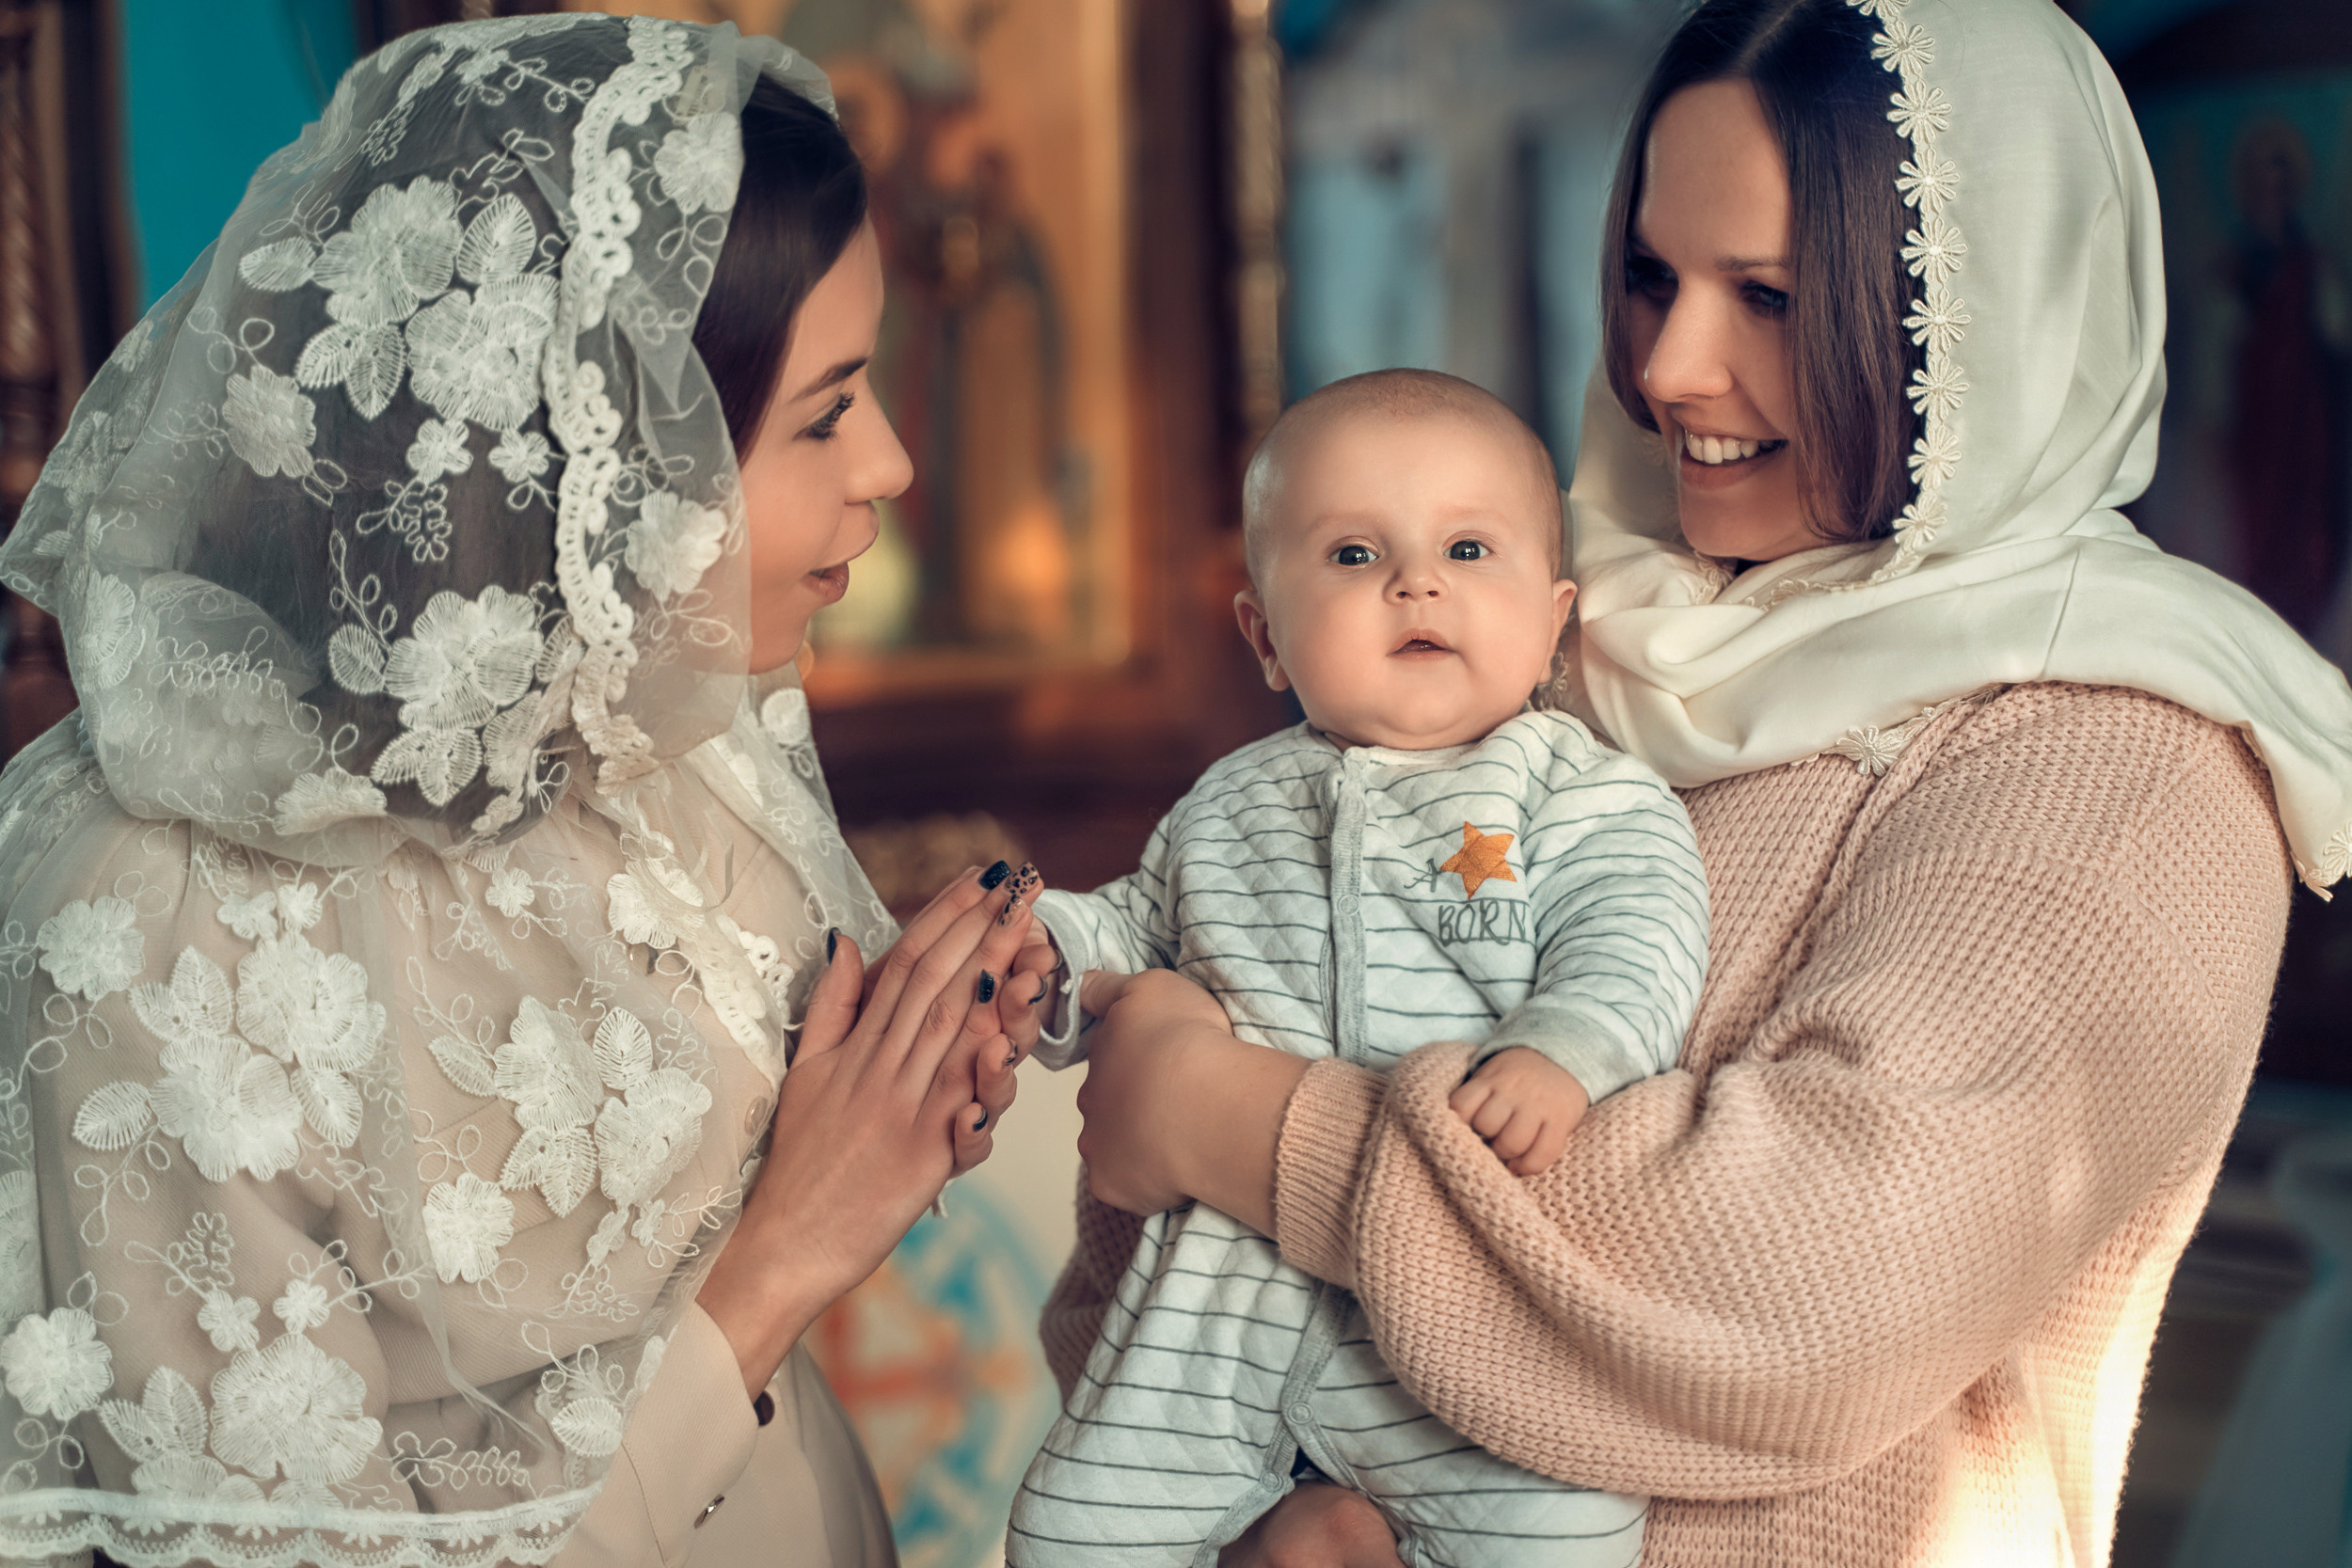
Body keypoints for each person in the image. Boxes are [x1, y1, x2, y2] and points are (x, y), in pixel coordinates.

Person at [1043, 1, 2352, 1565]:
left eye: (1773, 296)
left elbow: (1804, 1290)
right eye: (1653, 275)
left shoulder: (2120, 754)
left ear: (1989, 321)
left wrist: (1251, 1129)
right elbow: (1144, 1249)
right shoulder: (1569, 648)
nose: (1667, 364)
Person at [0, 17, 1042, 1568]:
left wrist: (902, 1077)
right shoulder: (149, 917)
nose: (893, 463)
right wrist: (787, 1257)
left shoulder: (660, 745)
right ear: (596, 448)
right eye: (825, 411)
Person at [1005, 369, 1707, 1567]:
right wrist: (1053, 954)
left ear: (1553, 618)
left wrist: (1564, 1047)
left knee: (1566, 1535)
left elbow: (1635, 940)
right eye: (1351, 555)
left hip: (1463, 1326)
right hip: (1220, 1304)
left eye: (1468, 547)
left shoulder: (1576, 794)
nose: (1415, 582)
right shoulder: (1225, 803)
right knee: (1066, 1532)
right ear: (1264, 633)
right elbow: (1139, 927)